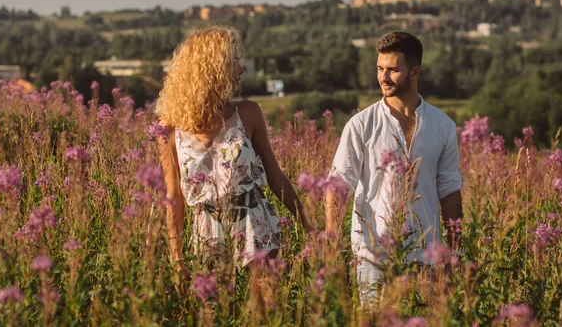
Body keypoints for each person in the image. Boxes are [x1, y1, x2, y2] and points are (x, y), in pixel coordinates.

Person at [156, 26, 312, 279]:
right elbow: (173, 196)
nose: (240, 70)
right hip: (206, 234)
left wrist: (310, 228)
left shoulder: (248, 113)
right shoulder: (168, 128)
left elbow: (275, 176)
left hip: (255, 226)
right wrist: (177, 259)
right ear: (210, 70)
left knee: (265, 312)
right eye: (233, 62)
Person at [324, 32, 463, 306]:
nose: (383, 77)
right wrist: (330, 244)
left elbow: (449, 190)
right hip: (374, 257)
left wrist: (453, 253)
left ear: (415, 72)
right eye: (380, 68)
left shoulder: (443, 125)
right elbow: (337, 186)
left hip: (426, 258)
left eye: (392, 70)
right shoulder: (360, 125)